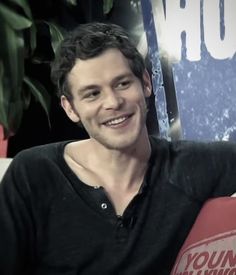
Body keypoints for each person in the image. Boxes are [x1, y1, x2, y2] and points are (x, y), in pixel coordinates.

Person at [0, 22, 236, 275]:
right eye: (92, 94)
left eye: (123, 83)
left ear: (145, 83)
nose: (113, 102)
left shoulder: (194, 166)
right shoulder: (33, 173)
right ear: (70, 108)